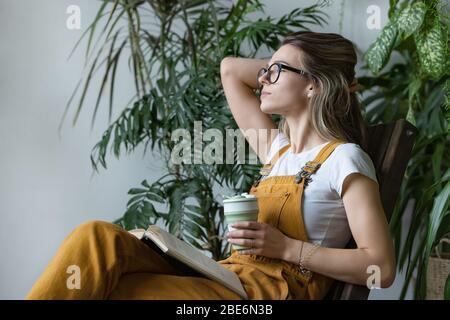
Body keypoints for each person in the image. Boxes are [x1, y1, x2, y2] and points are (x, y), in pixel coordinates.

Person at [26, 31, 395, 300]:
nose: (264, 77)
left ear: (313, 84)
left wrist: (286, 249)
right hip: (227, 278)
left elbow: (381, 268)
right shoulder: (277, 152)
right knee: (97, 238)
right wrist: (284, 66)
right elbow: (230, 70)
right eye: (265, 70)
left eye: (276, 70)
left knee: (122, 291)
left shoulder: (344, 158)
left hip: (262, 298)